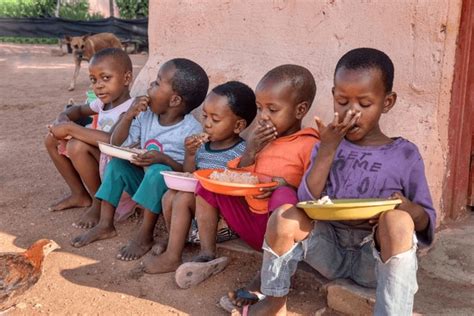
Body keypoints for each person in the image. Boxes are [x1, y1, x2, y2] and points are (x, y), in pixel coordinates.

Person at [238, 48, 437, 315]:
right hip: (329, 250)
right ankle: (274, 301)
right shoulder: (326, 146)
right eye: (342, 101)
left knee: (398, 221)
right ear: (333, 96)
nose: (352, 112)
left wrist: (409, 209)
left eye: (364, 104)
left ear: (387, 103)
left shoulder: (405, 154)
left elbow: (425, 220)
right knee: (285, 215)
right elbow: (306, 199)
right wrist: (329, 150)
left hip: (374, 259)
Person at [174, 64, 321, 288]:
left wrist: (288, 186)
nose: (262, 117)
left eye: (272, 110)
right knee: (209, 184)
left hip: (282, 232)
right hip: (251, 225)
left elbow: (315, 194)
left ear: (300, 110)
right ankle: (207, 254)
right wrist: (251, 149)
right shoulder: (259, 140)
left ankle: (268, 275)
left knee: (282, 194)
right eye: (260, 108)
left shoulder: (309, 144)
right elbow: (236, 179)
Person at [70, 58, 209, 249]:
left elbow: (189, 174)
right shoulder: (145, 116)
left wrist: (163, 159)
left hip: (166, 197)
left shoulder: (191, 130)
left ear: (175, 100)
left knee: (157, 170)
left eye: (158, 83)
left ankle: (145, 234)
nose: (150, 85)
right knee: (117, 164)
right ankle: (105, 224)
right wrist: (128, 115)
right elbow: (115, 142)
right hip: (140, 184)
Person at [127, 81, 257, 268]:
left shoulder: (241, 153)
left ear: (238, 126)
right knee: (170, 195)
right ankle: (176, 239)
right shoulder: (203, 147)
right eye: (205, 116)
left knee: (182, 199)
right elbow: (189, 174)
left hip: (223, 224)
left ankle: (196, 254)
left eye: (215, 119)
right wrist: (189, 154)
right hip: (197, 216)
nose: (207, 124)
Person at [45, 48, 134, 228]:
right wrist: (61, 120)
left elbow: (112, 140)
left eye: (106, 78)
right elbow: (76, 110)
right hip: (100, 162)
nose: (98, 85)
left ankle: (99, 201)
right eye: (93, 80)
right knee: (51, 139)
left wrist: (70, 128)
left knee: (76, 145)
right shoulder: (103, 103)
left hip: (118, 173)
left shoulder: (131, 108)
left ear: (126, 78)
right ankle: (79, 194)